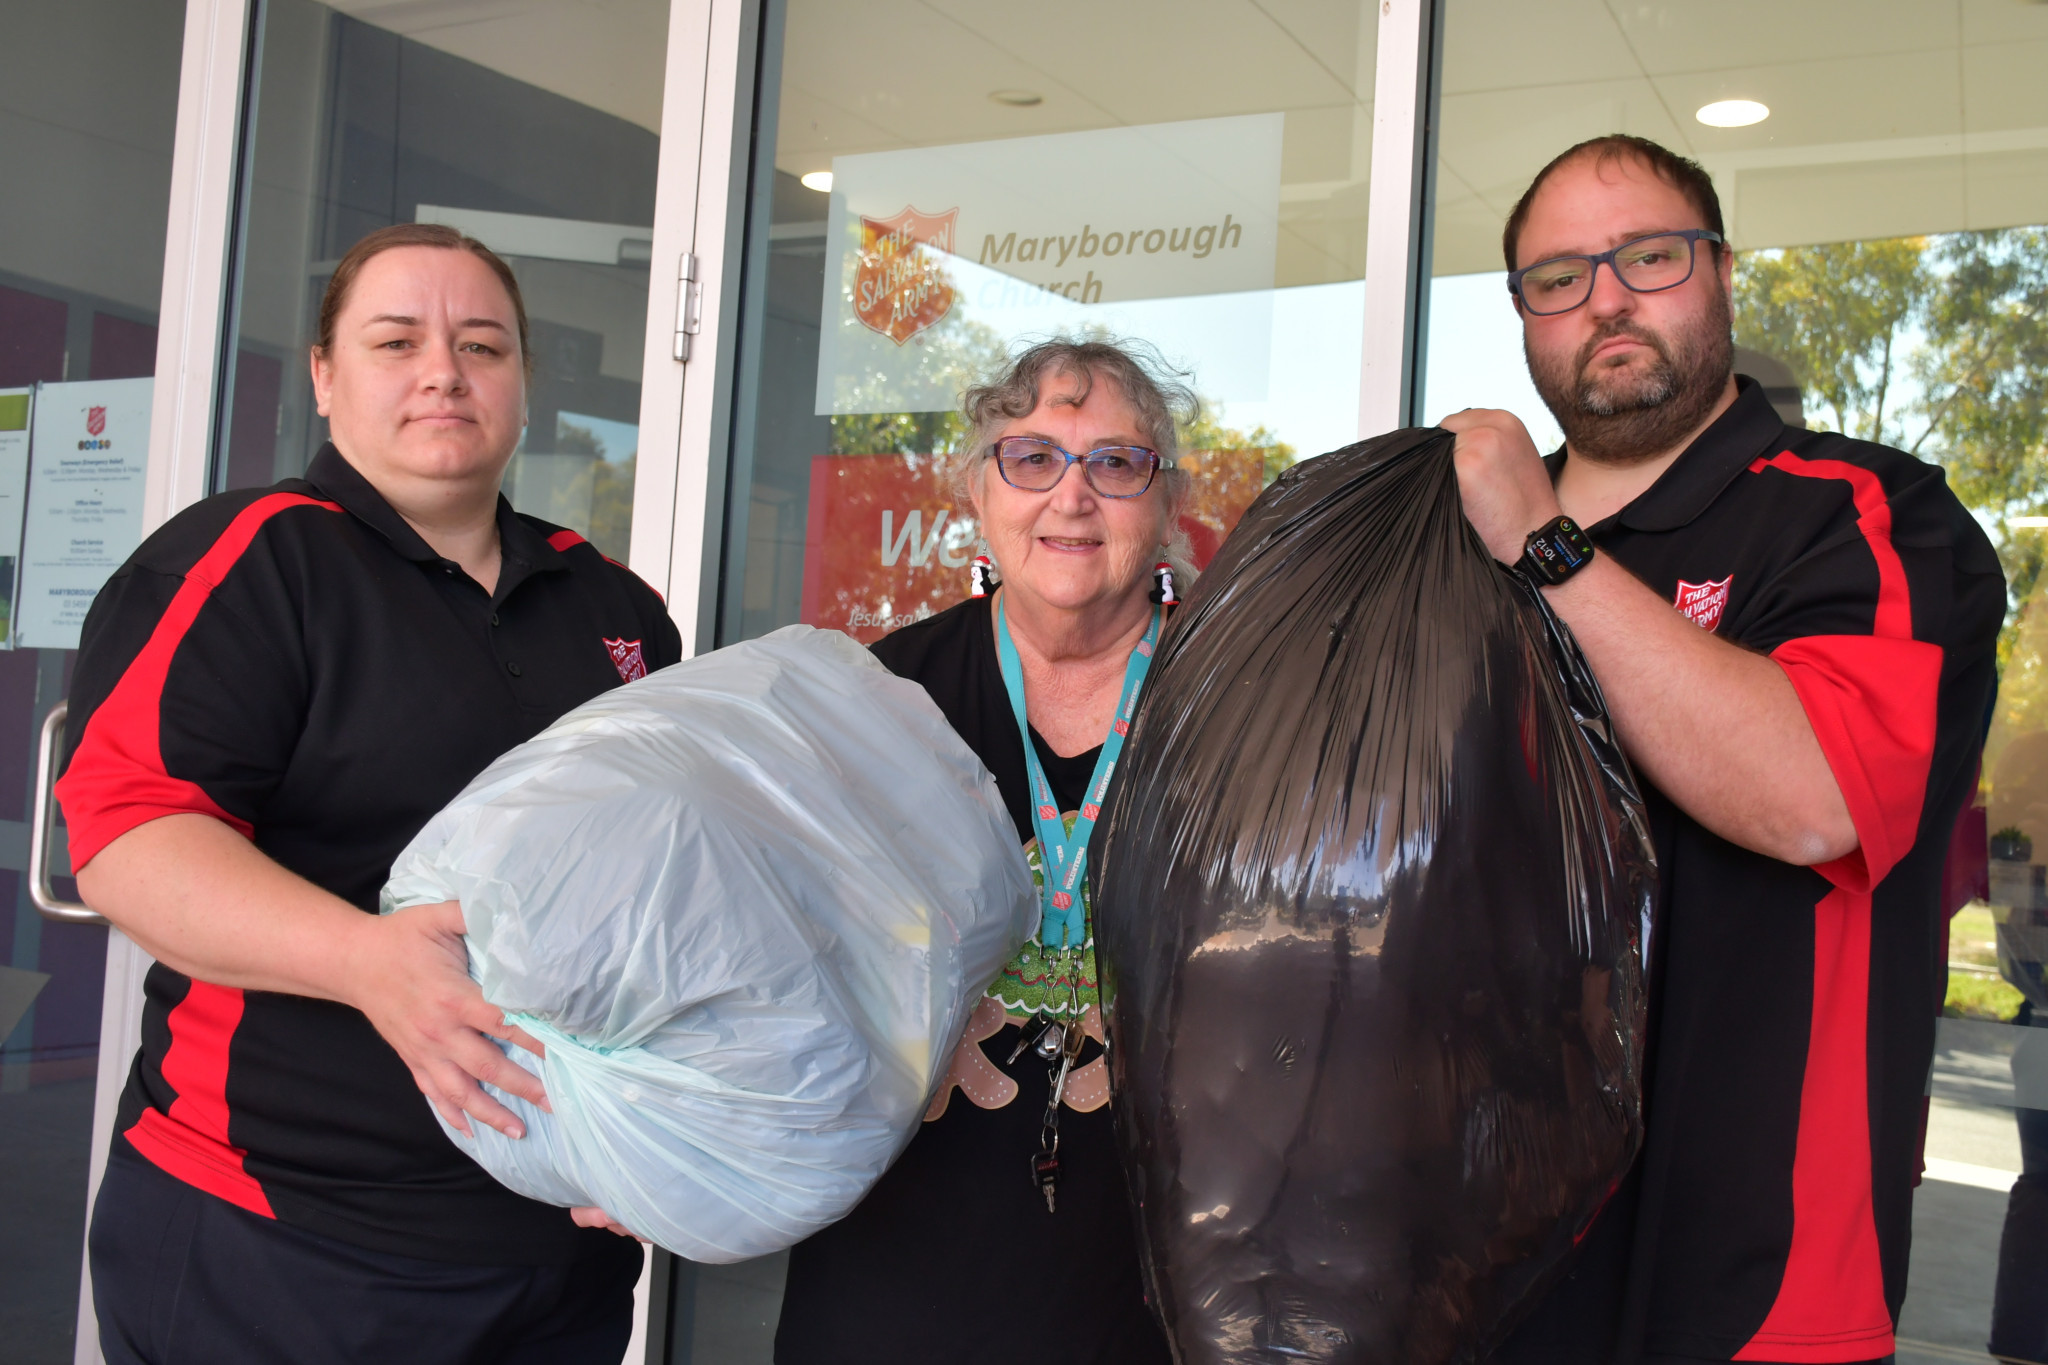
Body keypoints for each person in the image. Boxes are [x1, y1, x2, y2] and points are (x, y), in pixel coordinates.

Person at [62, 223, 681, 1364]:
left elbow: (663, 900)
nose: (444, 370)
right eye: (397, 340)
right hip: (285, 1236)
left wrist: (652, 1130)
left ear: (523, 383)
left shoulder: (614, 607)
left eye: (483, 345)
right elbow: (131, 834)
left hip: (555, 1238)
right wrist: (366, 962)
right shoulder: (250, 563)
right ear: (324, 375)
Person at [1446, 134, 2005, 1365]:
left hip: (1747, 1284)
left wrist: (1547, 549)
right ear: (1522, 315)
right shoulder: (1450, 546)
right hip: (1459, 1263)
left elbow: (1812, 798)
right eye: (1557, 277)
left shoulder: (1861, 516)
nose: (1604, 299)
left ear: (1720, 273)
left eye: (1646, 256)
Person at [773, 339, 1192, 1365]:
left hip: (1159, 1285)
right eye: (1032, 457)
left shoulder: (1241, 704)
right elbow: (760, 942)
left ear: (1166, 500)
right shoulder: (878, 699)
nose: (1072, 496)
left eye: (1115, 463)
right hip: (894, 1273)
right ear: (976, 490)